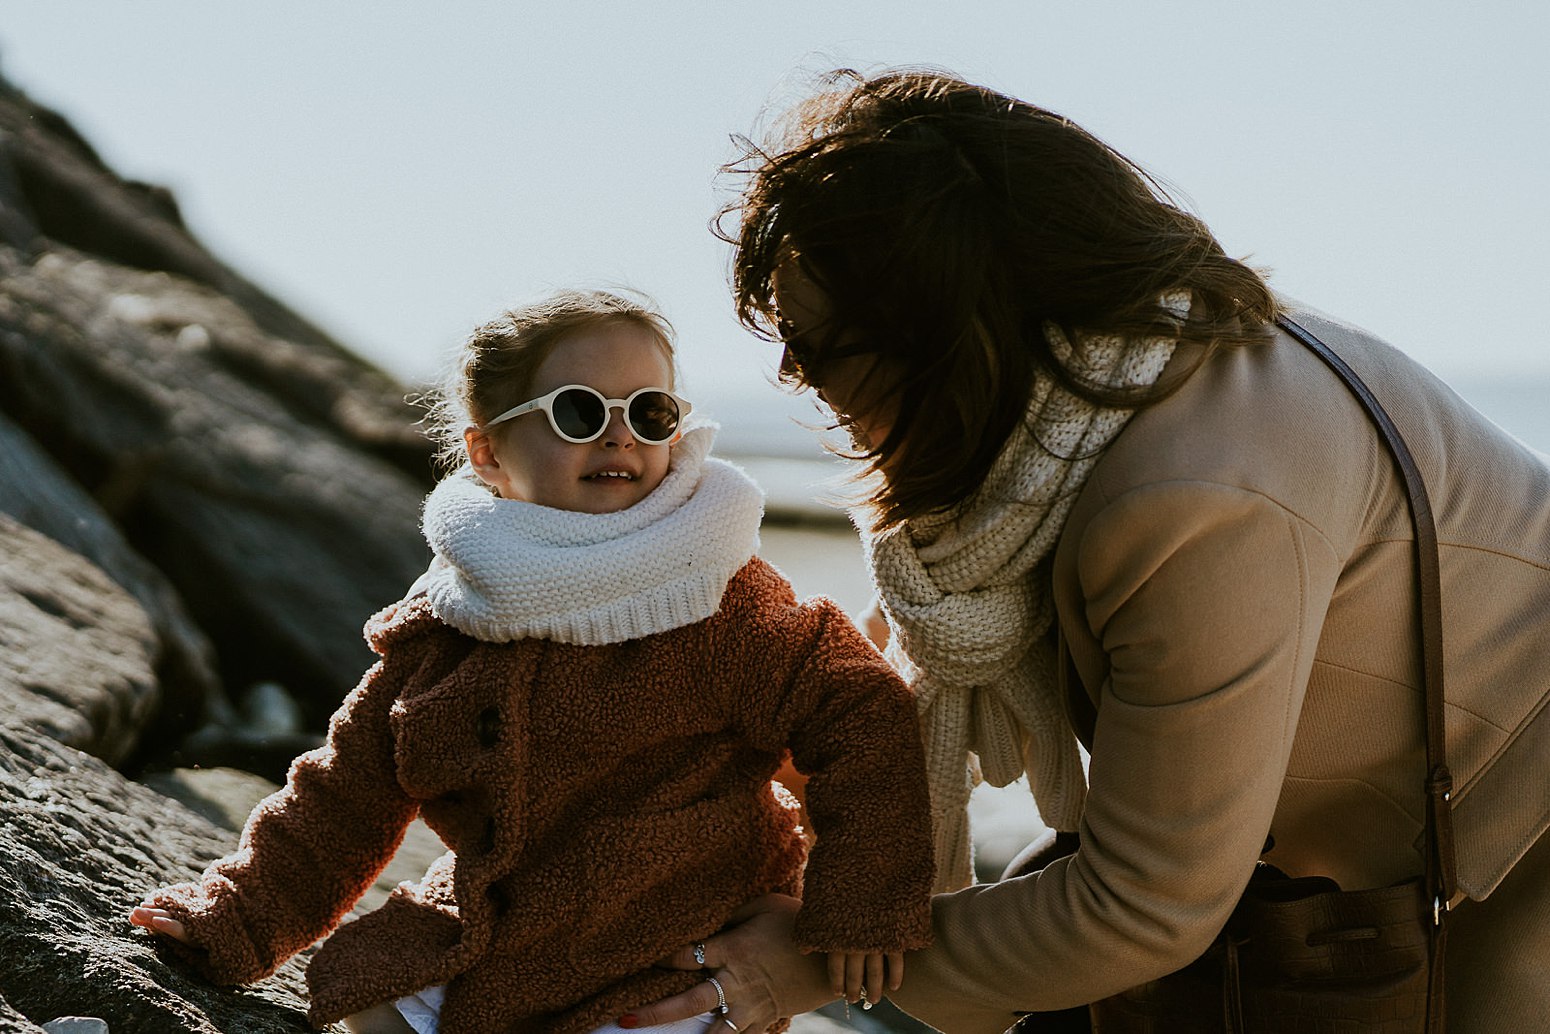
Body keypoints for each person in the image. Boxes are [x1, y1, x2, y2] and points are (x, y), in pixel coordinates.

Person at [622, 70, 1550, 1033]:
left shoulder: (1193, 499)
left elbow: (1145, 904)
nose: (797, 379)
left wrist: (817, 967)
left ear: (939, 334)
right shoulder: (1096, 407)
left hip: (1511, 857)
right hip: (1348, 850)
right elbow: (893, 673)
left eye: (818, 347)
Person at [128, 288, 935, 1034]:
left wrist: (858, 901)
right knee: (368, 1003)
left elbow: (862, 710)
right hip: (501, 935)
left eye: (650, 413)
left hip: (680, 942)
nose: (620, 433)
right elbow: (342, 796)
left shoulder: (717, 590)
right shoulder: (454, 622)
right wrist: (233, 915)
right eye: (579, 412)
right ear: (487, 451)